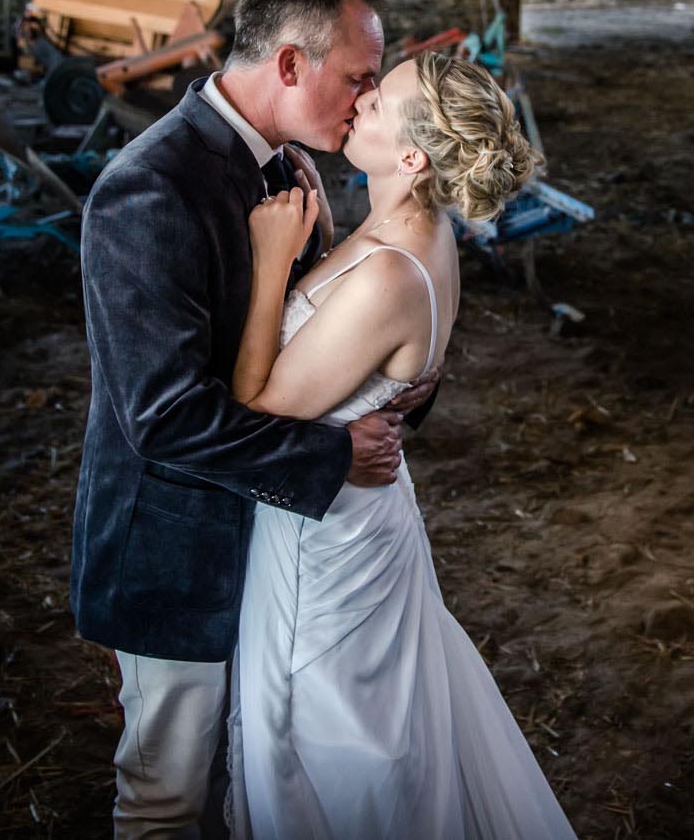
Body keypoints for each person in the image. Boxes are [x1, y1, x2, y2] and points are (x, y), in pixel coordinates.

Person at [70, 0, 437, 839]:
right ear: (286, 64)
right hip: (175, 550)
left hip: (280, 554)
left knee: (252, 781)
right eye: (355, 79)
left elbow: (322, 340)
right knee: (169, 798)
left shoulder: (289, 161)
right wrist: (331, 455)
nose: (362, 102)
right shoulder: (147, 188)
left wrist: (394, 388)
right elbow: (160, 417)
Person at [223, 50, 576, 839]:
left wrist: (272, 266)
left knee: (336, 751)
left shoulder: (393, 273)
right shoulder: (412, 227)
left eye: (377, 100)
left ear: (411, 156)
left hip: (327, 543)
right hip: (359, 514)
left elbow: (255, 402)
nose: (359, 100)